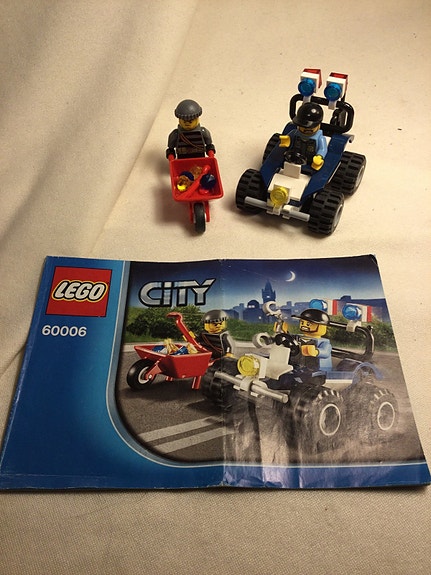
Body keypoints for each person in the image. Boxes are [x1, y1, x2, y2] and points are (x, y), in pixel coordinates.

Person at [279, 102, 327, 170]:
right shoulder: (295, 133)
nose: (306, 130)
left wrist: (319, 156)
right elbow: (289, 137)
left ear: (318, 125)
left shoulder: (320, 138)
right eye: (303, 127)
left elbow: (323, 149)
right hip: (294, 156)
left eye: (309, 128)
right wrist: (287, 140)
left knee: (316, 166)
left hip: (311, 160)